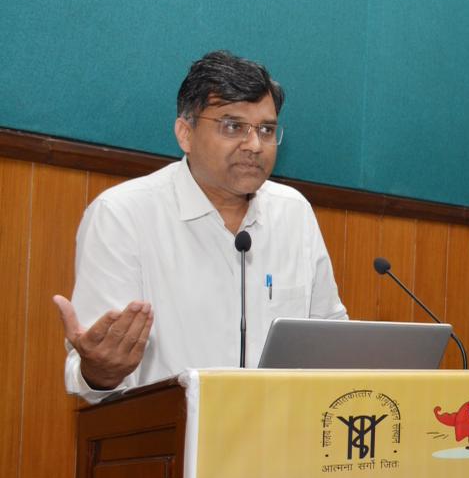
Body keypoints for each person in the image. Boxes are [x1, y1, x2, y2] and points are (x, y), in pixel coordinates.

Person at [54, 50, 347, 401]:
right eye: (233, 126)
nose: (254, 145)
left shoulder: (293, 212)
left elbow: (332, 340)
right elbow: (91, 370)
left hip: (281, 427)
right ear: (185, 133)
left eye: (266, 130)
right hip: (170, 430)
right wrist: (101, 372)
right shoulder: (122, 215)